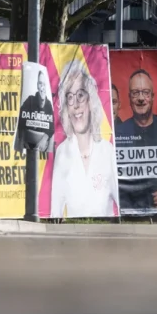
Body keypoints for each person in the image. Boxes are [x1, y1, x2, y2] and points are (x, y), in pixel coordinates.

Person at [50, 60, 120, 218]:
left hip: (105, 232)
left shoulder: (107, 151)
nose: (75, 104)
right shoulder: (62, 152)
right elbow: (55, 213)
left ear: (90, 100)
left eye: (80, 95)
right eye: (69, 97)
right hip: (73, 233)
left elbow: (123, 205)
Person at [115, 69, 157, 209]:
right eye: (135, 93)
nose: (141, 98)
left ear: (152, 96)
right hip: (131, 209)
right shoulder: (119, 133)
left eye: (145, 92)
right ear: (129, 98)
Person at [17, 71, 55, 153]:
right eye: (40, 84)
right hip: (27, 145)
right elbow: (20, 120)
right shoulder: (30, 100)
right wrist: (22, 142)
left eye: (44, 84)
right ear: (37, 85)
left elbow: (52, 127)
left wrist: (44, 139)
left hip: (42, 148)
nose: (42, 87)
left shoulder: (49, 105)